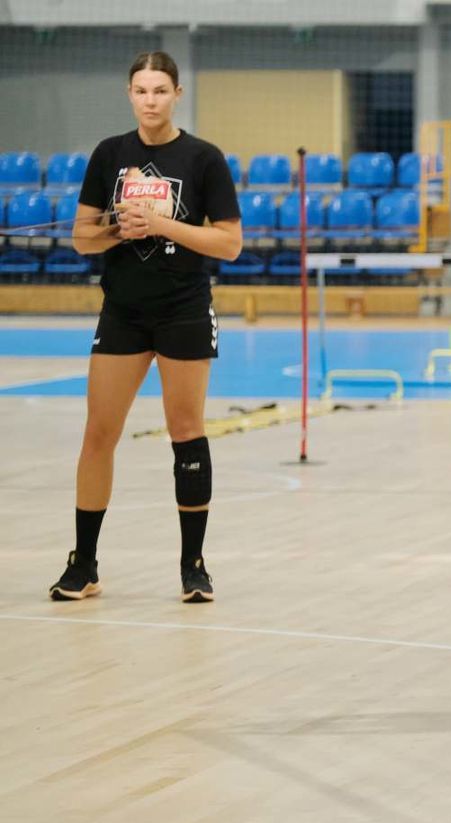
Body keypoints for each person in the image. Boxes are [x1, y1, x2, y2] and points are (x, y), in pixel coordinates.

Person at [50, 50, 242, 604]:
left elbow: (229, 243)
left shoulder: (204, 158)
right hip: (123, 311)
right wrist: (120, 226)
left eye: (160, 90)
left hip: (182, 307)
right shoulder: (109, 154)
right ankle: (83, 563)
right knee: (98, 433)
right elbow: (83, 237)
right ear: (129, 94)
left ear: (177, 94)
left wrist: (160, 222)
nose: (150, 99)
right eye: (141, 90)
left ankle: (193, 567)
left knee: (186, 430)